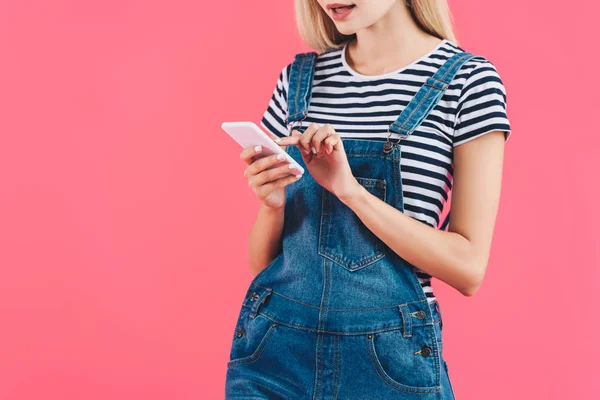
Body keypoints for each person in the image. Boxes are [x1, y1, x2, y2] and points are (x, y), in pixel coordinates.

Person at [225, 0, 511, 398]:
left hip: (390, 364)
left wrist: (351, 191)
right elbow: (265, 267)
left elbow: (468, 268)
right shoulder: (298, 80)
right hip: (275, 353)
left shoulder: (468, 82)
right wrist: (272, 204)